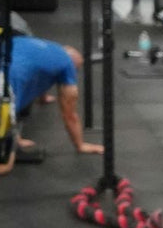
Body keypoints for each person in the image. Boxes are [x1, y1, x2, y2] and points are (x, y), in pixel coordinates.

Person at [0, 35, 104, 176]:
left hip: (5, 77)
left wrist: (43, 97)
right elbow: (69, 115)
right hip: (4, 90)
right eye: (75, 71)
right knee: (5, 164)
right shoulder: (67, 64)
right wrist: (80, 145)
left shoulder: (42, 47)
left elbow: (36, 72)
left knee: (17, 109)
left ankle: (14, 137)